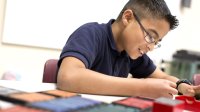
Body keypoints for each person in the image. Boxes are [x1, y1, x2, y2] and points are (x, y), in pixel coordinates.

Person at [56, 0, 200, 99]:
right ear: (128, 17)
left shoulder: (132, 53)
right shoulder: (91, 33)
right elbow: (68, 77)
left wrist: (183, 86)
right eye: (150, 36)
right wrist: (141, 87)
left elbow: (162, 77)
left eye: (156, 42)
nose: (151, 47)